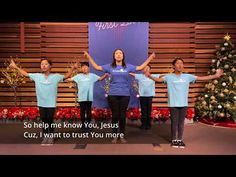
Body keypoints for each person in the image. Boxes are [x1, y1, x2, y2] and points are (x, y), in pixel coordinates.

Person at [147, 57, 223, 148]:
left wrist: (215, 76)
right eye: (178, 63)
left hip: (183, 104)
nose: (180, 65)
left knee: (181, 123)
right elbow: (158, 80)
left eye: (181, 63)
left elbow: (202, 78)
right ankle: (174, 140)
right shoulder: (169, 77)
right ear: (173, 66)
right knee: (174, 122)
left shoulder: (187, 76)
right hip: (173, 104)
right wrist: (149, 75)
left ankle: (179, 140)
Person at [83, 49, 155, 143]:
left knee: (122, 116)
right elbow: (96, 67)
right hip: (113, 94)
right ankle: (114, 134)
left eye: (120, 53)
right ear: (114, 56)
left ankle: (121, 134)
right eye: (116, 53)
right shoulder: (110, 66)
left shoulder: (128, 66)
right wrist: (88, 57)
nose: (118, 54)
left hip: (125, 94)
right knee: (115, 116)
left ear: (123, 56)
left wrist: (150, 58)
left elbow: (141, 67)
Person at [9, 58, 78, 146]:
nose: (44, 66)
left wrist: (73, 68)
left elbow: (66, 76)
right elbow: (25, 74)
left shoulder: (56, 76)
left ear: (50, 66)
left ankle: (51, 136)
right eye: (42, 64)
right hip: (41, 103)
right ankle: (45, 136)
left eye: (45, 64)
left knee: (50, 120)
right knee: (44, 120)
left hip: (51, 103)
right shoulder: (37, 76)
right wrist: (15, 67)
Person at [65, 62, 108, 131]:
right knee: (82, 111)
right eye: (83, 67)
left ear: (89, 68)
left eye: (86, 67)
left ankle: (88, 126)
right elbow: (69, 79)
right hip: (81, 97)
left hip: (89, 97)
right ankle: (83, 126)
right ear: (81, 68)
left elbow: (100, 79)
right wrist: (65, 77)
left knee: (88, 112)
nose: (84, 68)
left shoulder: (92, 75)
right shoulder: (78, 76)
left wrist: (106, 74)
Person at [130, 65, 163, 130]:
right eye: (145, 68)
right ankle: (143, 124)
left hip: (150, 96)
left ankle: (148, 124)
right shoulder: (140, 76)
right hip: (142, 96)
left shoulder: (154, 76)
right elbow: (131, 74)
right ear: (143, 70)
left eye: (148, 68)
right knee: (143, 111)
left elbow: (163, 75)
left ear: (150, 69)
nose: (146, 69)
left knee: (149, 111)